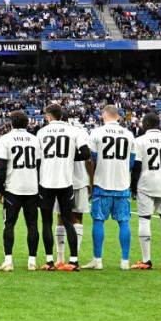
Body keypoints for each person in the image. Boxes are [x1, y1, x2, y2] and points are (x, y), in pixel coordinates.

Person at [36, 104, 90, 272]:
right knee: (68, 221)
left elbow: (38, 160)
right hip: (66, 182)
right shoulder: (74, 131)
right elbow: (86, 154)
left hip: (46, 182)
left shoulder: (42, 132)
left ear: (49, 116)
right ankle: (73, 261)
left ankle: (50, 261)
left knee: (46, 222)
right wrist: (71, 157)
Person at [84, 105, 135, 271]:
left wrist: (92, 180)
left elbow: (90, 160)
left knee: (98, 221)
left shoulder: (97, 133)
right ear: (118, 117)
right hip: (122, 185)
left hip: (101, 183)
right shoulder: (128, 135)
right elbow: (132, 162)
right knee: (124, 222)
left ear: (103, 116)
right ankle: (125, 261)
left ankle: (97, 260)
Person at [131, 112, 161, 270]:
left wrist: (133, 187)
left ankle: (146, 260)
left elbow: (137, 166)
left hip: (146, 185)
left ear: (145, 124)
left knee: (144, 220)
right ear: (158, 124)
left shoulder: (140, 141)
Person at [0, 111, 41, 272]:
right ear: (27, 123)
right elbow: (39, 165)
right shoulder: (35, 139)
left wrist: (1, 189)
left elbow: (1, 167)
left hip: (13, 188)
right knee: (32, 225)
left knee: (9, 224)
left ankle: (8, 261)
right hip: (31, 187)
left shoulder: (5, 139)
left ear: (11, 123)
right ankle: (32, 261)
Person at [56, 113, 91, 268]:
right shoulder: (80, 133)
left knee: (61, 218)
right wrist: (92, 181)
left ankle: (60, 258)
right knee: (77, 218)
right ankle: (73, 259)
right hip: (80, 180)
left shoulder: (54, 133)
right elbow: (88, 159)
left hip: (61, 181)